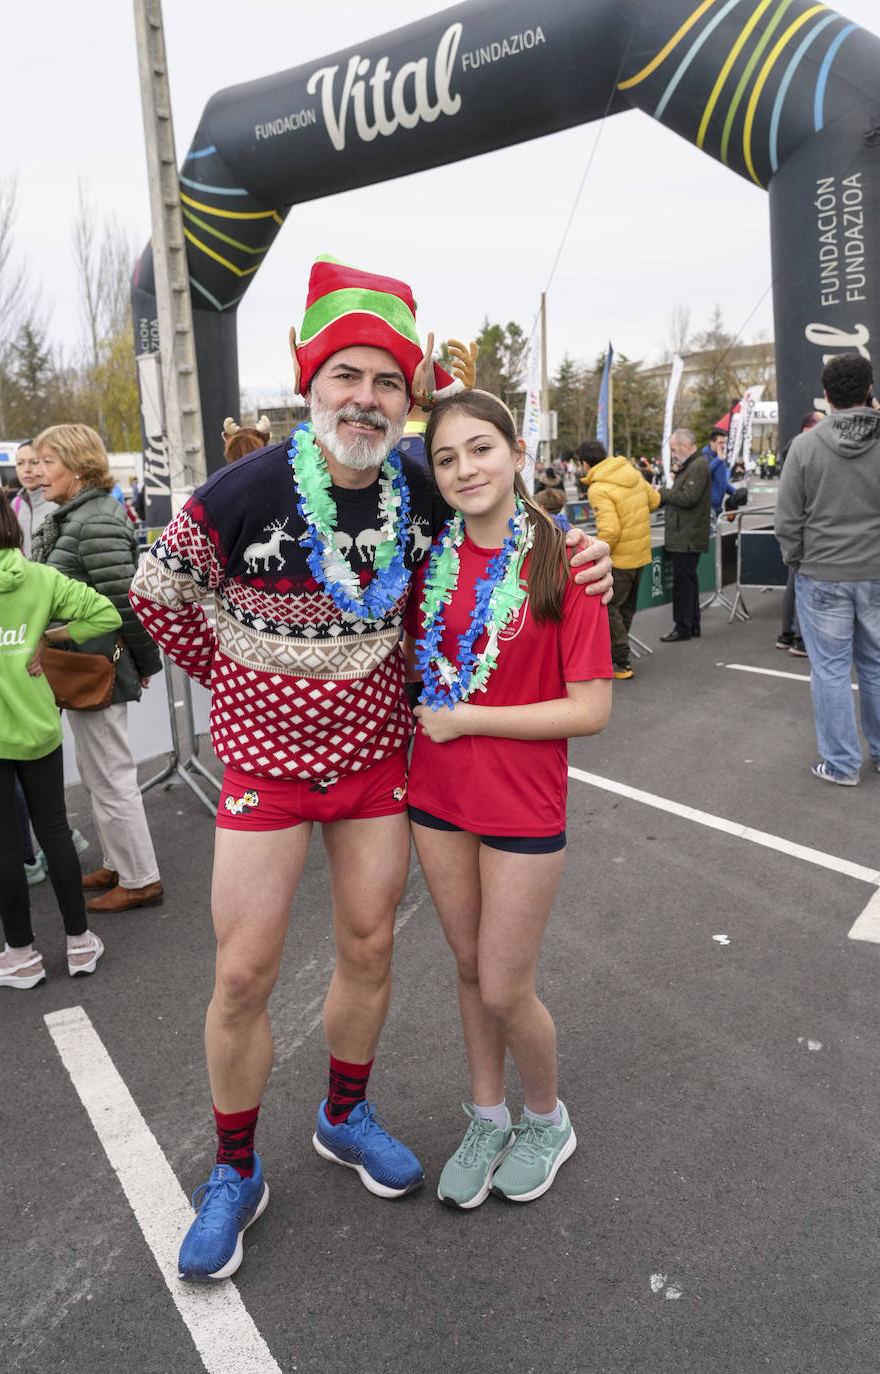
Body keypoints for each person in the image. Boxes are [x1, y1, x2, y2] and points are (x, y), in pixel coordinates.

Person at [128, 255, 614, 1282]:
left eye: (386, 381)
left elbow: (501, 528)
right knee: (244, 971)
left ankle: (343, 1115)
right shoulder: (242, 489)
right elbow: (156, 595)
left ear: (405, 400)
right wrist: (246, 683)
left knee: (367, 949)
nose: (365, 397)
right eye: (346, 376)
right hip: (263, 771)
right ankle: (234, 1171)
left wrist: (585, 550)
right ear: (311, 385)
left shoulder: (419, 487)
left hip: (375, 772)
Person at [400, 390, 611, 1208]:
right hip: (437, 797)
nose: (465, 469)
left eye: (481, 449)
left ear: (518, 452)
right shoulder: (427, 559)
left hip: (523, 805)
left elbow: (590, 709)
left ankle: (546, 1118)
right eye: (447, 459)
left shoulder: (566, 559)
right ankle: (487, 1115)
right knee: (464, 966)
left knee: (503, 985)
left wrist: (467, 720)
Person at [0, 476, 121, 987]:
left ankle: (21, 956)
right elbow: (104, 610)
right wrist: (49, 639)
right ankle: (79, 944)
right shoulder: (37, 576)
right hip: (39, 727)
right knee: (55, 833)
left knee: (4, 846)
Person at [33, 424, 165, 909]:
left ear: (78, 466)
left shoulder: (93, 521)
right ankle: (119, 863)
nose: (37, 472)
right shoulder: (78, 516)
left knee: (111, 775)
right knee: (99, 772)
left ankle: (140, 879)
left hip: (98, 668)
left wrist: (145, 662)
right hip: (85, 665)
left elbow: (125, 603)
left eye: (48, 462)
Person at [774, 352, 880, 785]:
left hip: (821, 574)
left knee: (831, 671)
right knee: (875, 666)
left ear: (827, 397)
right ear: (869, 391)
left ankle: (840, 764)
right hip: (874, 572)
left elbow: (787, 521)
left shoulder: (805, 445)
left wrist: (798, 563)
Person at [576, 438, 661, 679]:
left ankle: (620, 661)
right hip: (641, 553)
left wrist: (592, 552)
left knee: (611, 609)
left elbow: (610, 531)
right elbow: (654, 501)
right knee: (626, 609)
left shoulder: (598, 487)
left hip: (620, 559)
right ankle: (620, 657)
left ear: (584, 463)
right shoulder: (630, 472)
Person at [775, 411, 822, 657]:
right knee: (801, 587)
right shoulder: (802, 447)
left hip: (799, 532)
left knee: (794, 585)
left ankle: (787, 634)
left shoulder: (794, 447)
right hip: (804, 533)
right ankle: (800, 639)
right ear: (810, 426)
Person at [658, 429, 711, 642]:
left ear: (686, 446)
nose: (672, 453)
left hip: (686, 535)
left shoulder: (698, 466)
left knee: (683, 584)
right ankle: (691, 624)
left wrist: (662, 492)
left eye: (673, 449)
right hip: (685, 533)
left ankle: (683, 627)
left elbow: (688, 498)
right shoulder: (693, 464)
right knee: (688, 582)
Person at [702, 429, 734, 524]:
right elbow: (704, 474)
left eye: (724, 442)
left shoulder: (719, 457)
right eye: (720, 442)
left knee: (716, 535)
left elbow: (721, 480)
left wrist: (734, 492)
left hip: (718, 505)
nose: (723, 445)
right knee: (710, 536)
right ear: (712, 442)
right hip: (707, 505)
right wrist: (718, 459)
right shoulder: (704, 456)